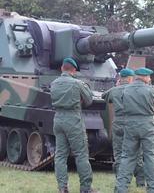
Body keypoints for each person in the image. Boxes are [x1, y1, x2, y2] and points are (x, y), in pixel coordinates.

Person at [50, 57, 98, 193]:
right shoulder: (77, 83)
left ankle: (62, 187)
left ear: (61, 68)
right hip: (73, 119)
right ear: (74, 70)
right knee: (81, 154)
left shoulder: (54, 83)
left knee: (60, 155)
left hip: (58, 119)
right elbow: (89, 101)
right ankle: (85, 188)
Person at [115, 67, 154, 193]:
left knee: (127, 156)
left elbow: (123, 105)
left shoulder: (126, 89)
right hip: (146, 123)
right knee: (150, 156)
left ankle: (121, 188)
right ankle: (152, 188)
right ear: (144, 77)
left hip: (130, 124)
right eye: (149, 77)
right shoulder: (150, 90)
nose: (150, 79)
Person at [102, 68, 145, 186]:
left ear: (120, 79)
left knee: (119, 153)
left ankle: (121, 180)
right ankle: (140, 181)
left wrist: (117, 86)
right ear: (131, 78)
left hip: (119, 123)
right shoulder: (136, 90)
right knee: (137, 152)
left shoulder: (114, 90)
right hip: (133, 122)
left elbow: (104, 96)